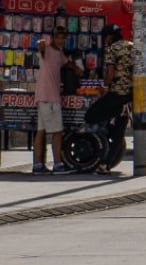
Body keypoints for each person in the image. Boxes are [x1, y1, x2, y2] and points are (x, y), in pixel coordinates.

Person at [83, 25, 134, 174]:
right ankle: (105, 166)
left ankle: (108, 127)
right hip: (131, 94)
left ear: (109, 36)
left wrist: (104, 86)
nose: (105, 40)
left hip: (117, 93)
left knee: (90, 116)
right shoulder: (132, 46)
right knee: (119, 133)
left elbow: (110, 73)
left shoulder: (112, 49)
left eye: (105, 37)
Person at [35, 26, 82, 174]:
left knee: (41, 131)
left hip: (44, 96)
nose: (60, 40)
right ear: (53, 38)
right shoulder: (46, 50)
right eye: (57, 37)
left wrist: (76, 68)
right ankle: (57, 164)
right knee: (57, 132)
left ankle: (37, 166)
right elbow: (40, 46)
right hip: (49, 97)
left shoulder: (59, 53)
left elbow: (66, 63)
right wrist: (42, 43)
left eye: (63, 38)